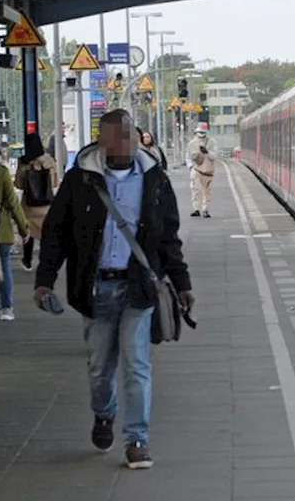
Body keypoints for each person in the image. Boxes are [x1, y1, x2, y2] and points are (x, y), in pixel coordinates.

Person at [35, 109, 194, 470]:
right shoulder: (80, 179)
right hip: (96, 289)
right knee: (99, 367)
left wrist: (182, 283)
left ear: (137, 138)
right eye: (115, 137)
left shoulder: (155, 179)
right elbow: (56, 233)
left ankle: (137, 439)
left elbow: (168, 236)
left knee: (137, 365)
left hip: (138, 288)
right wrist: (45, 280)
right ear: (102, 140)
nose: (123, 144)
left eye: (129, 136)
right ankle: (104, 413)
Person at [0, 144, 28, 321]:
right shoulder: (1, 172)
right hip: (1, 228)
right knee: (4, 266)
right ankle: (6, 308)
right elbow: (13, 202)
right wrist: (22, 227)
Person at [15, 132, 59, 271]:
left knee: (29, 234)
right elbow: (55, 183)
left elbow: (18, 184)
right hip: (46, 206)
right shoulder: (50, 161)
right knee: (46, 234)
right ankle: (45, 262)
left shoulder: (24, 163)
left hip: (29, 205)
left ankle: (27, 261)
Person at [185, 125, 217, 218]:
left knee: (206, 191)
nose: (201, 135)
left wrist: (207, 152)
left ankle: (205, 209)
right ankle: (196, 209)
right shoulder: (191, 143)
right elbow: (188, 156)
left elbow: (214, 156)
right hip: (196, 170)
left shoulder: (212, 143)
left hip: (208, 171)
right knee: (195, 190)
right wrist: (191, 167)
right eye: (199, 133)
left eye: (203, 133)